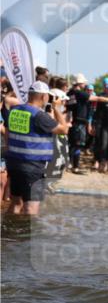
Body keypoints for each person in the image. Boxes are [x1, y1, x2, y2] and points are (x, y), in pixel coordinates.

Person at [3, 81, 71, 215]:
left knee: (16, 203)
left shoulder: (15, 110)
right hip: (33, 166)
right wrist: (56, 108)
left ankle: (9, 228)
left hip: (14, 163)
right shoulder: (39, 116)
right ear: (44, 96)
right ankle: (28, 229)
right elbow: (64, 130)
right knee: (31, 208)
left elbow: (7, 132)